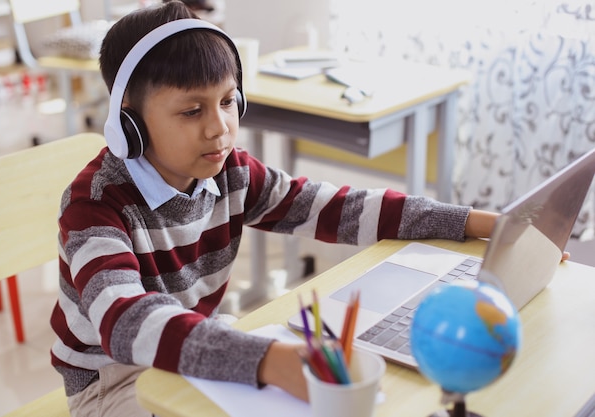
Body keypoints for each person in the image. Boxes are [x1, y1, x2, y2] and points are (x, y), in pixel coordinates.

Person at [50, 1, 501, 416]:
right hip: (111, 382)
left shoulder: (231, 174)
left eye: (228, 102)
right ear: (128, 122)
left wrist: (474, 222)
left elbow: (336, 208)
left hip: (189, 348)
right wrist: (267, 361)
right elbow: (125, 322)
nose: (219, 128)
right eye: (192, 111)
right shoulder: (93, 206)